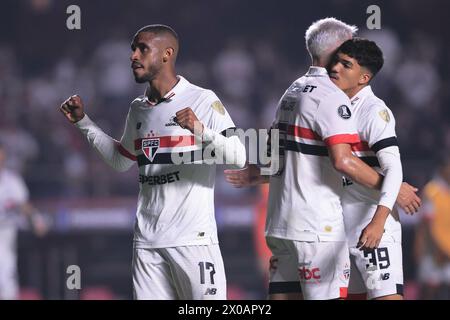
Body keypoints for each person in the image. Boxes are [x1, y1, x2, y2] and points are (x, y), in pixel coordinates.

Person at [59, 24, 246, 300]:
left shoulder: (203, 100)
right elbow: (122, 161)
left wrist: (200, 131)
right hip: (147, 245)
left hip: (193, 242)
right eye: (133, 49)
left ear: (167, 54)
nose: (133, 55)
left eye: (142, 49)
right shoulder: (138, 109)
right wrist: (83, 122)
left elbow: (239, 156)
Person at [226, 18, 394, 300]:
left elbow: (277, 158)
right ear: (338, 50)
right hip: (317, 228)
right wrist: (390, 186)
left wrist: (259, 173)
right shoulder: (332, 97)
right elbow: (343, 161)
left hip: (281, 226)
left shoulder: (291, 92)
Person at [327, 38, 421, 300]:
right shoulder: (332, 107)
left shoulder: (373, 110)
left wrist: (378, 222)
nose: (336, 68)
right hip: (340, 226)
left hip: (371, 226)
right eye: (336, 61)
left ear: (364, 77)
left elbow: (394, 167)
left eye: (346, 65)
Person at [0, 144, 47, 299]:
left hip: (5, 232)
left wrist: (37, 220)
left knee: (6, 271)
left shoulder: (11, 180)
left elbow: (24, 205)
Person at [414, 154, 450, 299]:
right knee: (430, 291)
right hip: (433, 251)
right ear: (442, 169)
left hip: (447, 250)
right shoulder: (431, 191)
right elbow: (426, 225)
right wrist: (437, 249)